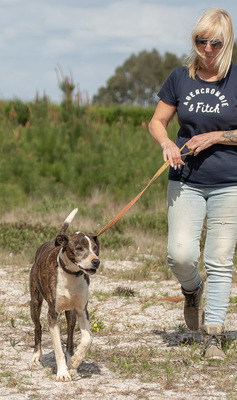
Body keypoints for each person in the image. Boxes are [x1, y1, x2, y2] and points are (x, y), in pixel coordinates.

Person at [149, 8, 237, 360]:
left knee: (219, 258)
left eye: (215, 42)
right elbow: (157, 121)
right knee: (181, 255)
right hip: (185, 179)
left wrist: (216, 136)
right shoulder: (180, 77)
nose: (208, 49)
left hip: (230, 182)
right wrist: (167, 143)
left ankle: (213, 333)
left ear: (226, 42)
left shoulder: (235, 78)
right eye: (201, 41)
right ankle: (192, 289)